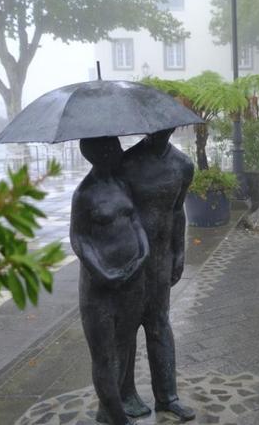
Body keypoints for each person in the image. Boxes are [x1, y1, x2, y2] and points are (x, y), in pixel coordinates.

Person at [118, 128, 196, 421]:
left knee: (159, 325)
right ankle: (124, 395)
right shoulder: (126, 162)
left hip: (161, 259)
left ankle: (168, 397)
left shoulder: (183, 165)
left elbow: (178, 211)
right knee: (125, 330)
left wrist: (180, 253)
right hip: (130, 258)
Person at [70, 137, 149, 425]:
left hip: (131, 280)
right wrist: (102, 272)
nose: (119, 151)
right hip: (100, 288)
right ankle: (117, 417)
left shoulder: (122, 185)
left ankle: (112, 407)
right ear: (98, 154)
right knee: (104, 353)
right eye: (113, 148)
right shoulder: (84, 194)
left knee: (125, 343)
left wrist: (143, 254)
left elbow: (136, 223)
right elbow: (79, 240)